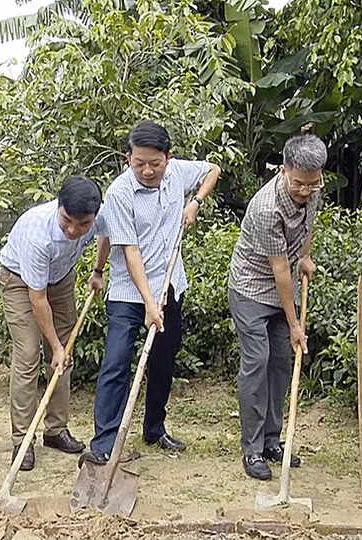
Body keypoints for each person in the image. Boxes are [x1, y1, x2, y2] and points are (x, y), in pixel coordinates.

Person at [81, 120, 221, 465]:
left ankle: (154, 428)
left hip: (171, 284)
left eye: (154, 164)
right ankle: (104, 441)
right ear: (128, 157)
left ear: (168, 158)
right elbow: (130, 253)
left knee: (162, 361)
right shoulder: (119, 194)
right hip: (129, 293)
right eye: (138, 162)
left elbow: (213, 170)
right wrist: (148, 302)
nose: (146, 170)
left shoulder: (177, 174)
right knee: (116, 362)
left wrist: (196, 203)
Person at [228, 134, 327, 480]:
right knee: (257, 363)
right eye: (299, 184)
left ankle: (272, 439)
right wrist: (296, 322)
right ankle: (252, 450)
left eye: (312, 184)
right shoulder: (266, 208)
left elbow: (307, 224)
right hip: (252, 287)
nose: (305, 190)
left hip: (282, 280)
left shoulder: (313, 188)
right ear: (284, 171)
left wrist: (306, 256)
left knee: (281, 364)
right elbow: (279, 271)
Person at [0, 176, 104, 471]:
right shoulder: (38, 233)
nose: (73, 230)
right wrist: (55, 345)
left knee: (63, 357)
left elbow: (105, 235)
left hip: (61, 279)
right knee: (30, 354)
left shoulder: (99, 217)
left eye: (82, 225)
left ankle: (56, 430)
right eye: (67, 220)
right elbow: (38, 298)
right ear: (58, 207)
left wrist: (97, 270)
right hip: (21, 282)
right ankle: (23, 438)